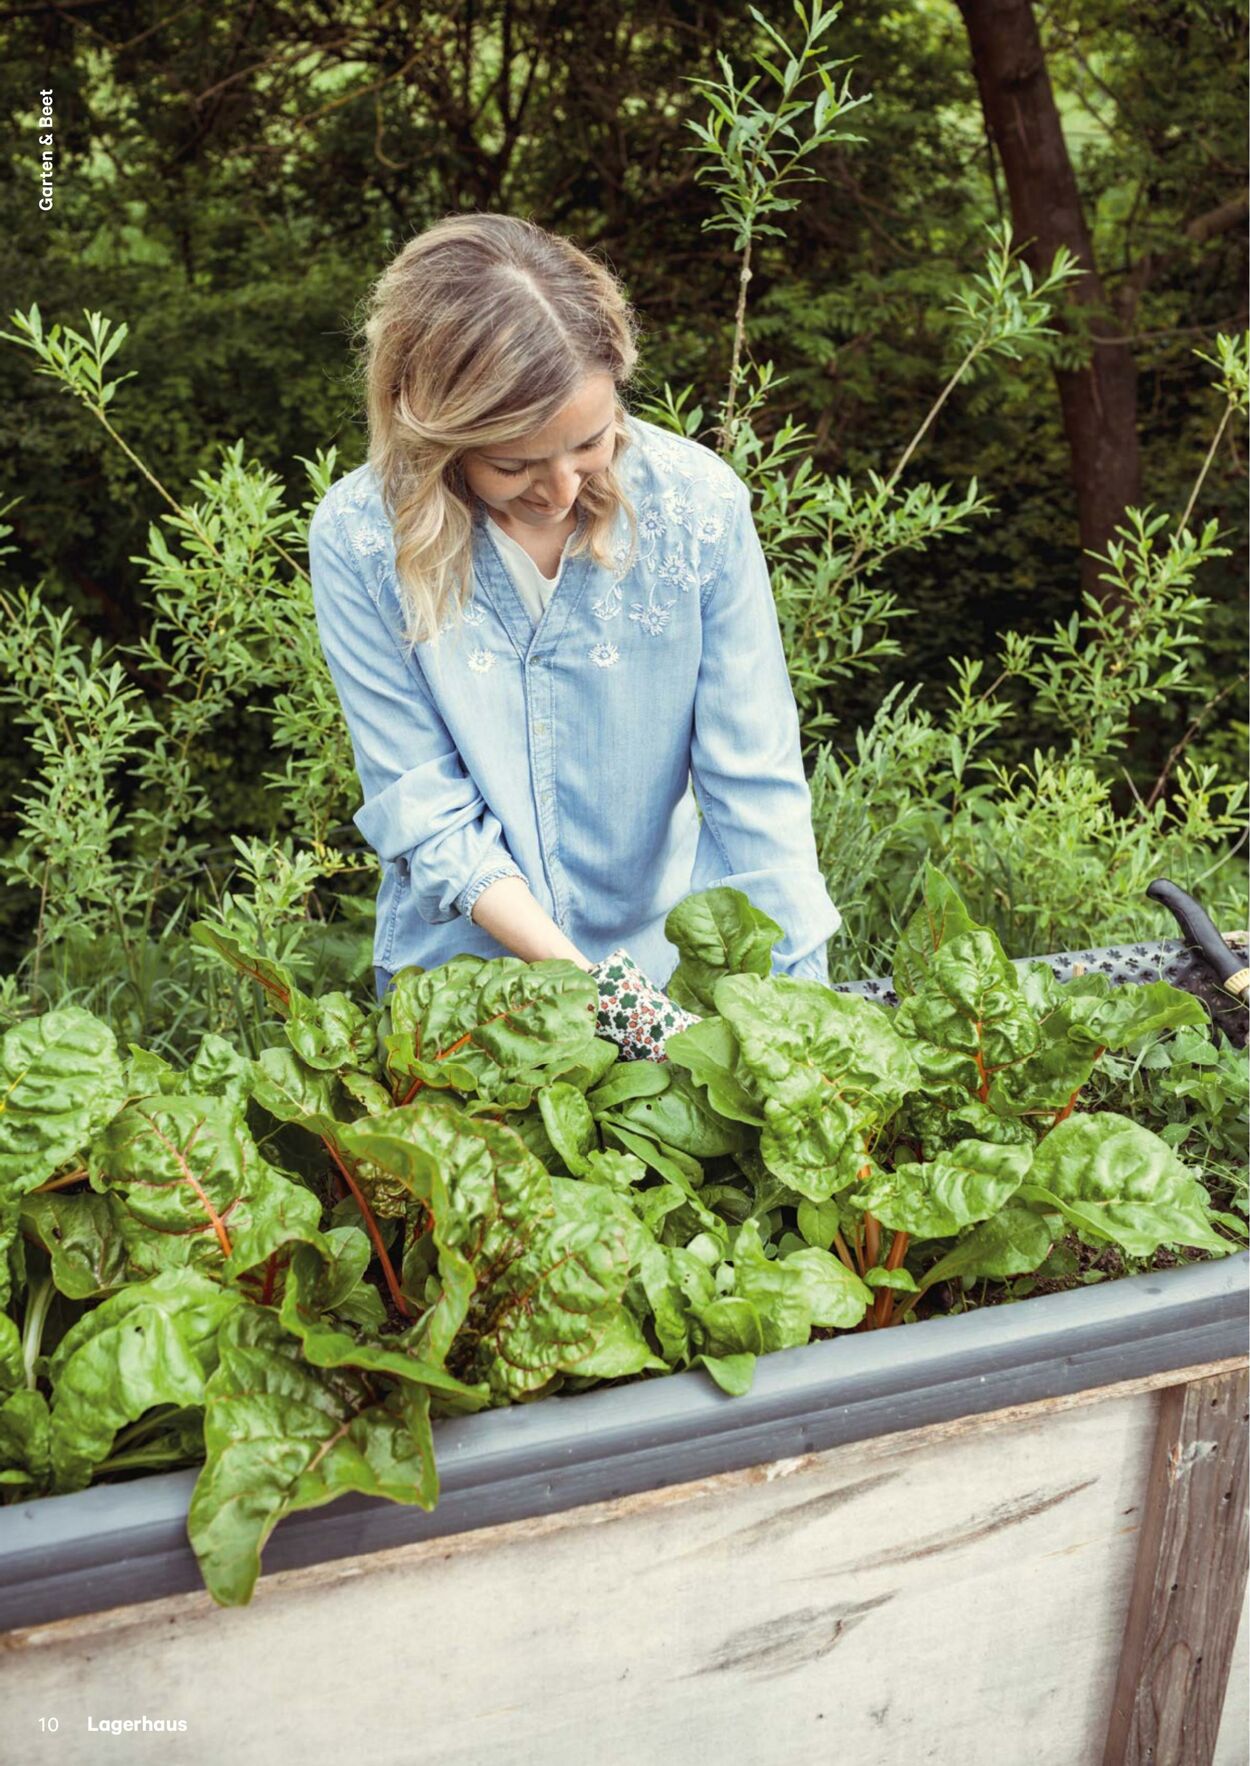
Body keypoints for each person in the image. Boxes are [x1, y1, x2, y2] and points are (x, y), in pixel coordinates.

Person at [308, 213, 841, 1061]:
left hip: (673, 984)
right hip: (468, 1007)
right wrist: (610, 1005)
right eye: (514, 464)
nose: (560, 489)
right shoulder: (360, 540)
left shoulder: (699, 510)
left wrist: (802, 1020)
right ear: (437, 436)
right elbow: (427, 815)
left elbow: (757, 793)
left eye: (590, 443)